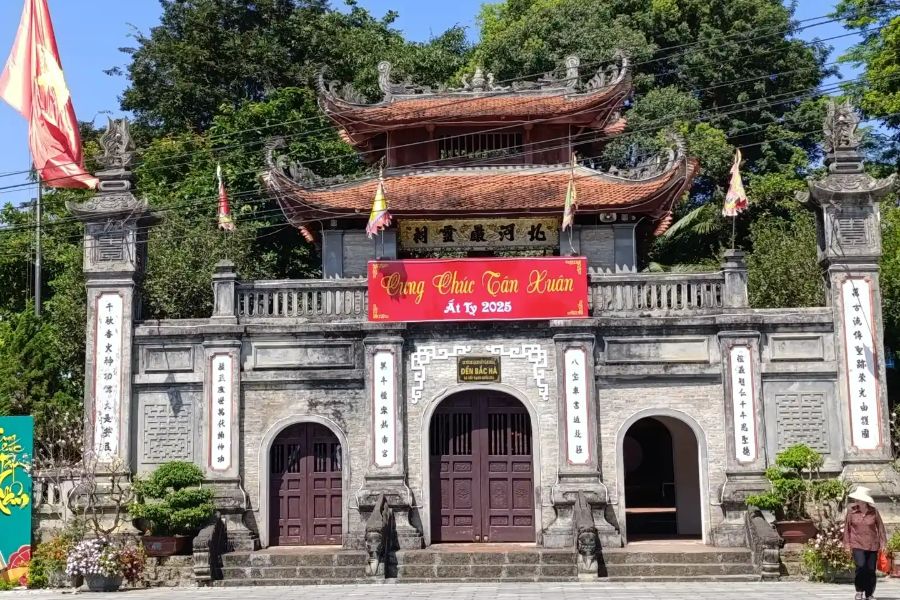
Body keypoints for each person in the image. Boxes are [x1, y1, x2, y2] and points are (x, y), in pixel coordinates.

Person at [844, 486, 887, 600]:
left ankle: (869, 594)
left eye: (859, 498)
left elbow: (881, 528)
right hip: (857, 544)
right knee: (861, 567)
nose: (856, 500)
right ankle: (859, 591)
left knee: (871, 570)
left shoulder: (874, 512)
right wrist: (847, 545)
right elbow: (846, 529)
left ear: (865, 500)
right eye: (856, 498)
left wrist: (883, 544)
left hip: (872, 544)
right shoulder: (851, 511)